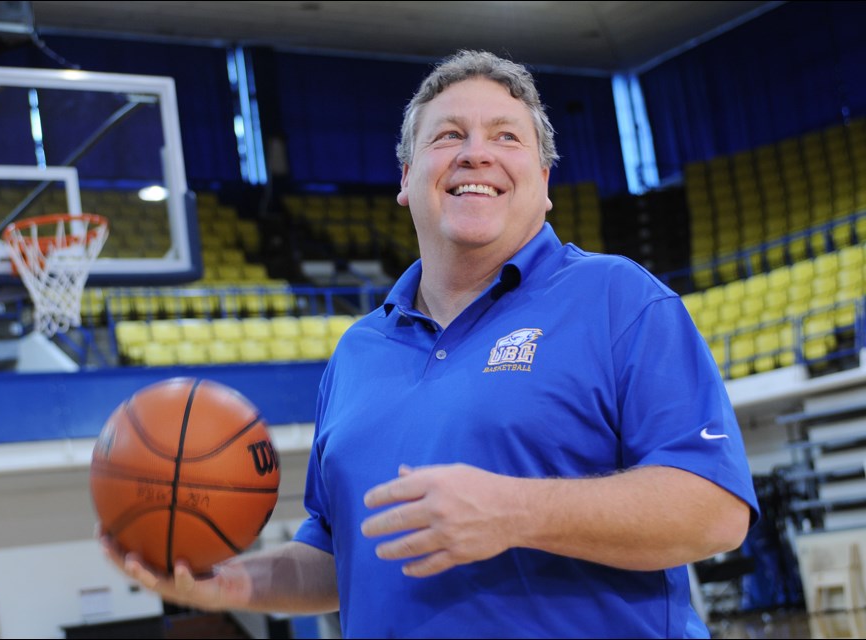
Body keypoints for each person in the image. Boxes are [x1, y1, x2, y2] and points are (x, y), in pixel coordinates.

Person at [103, 49, 759, 638]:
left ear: (545, 181)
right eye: (449, 136)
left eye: (506, 137)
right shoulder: (358, 353)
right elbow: (341, 558)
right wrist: (236, 584)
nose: (477, 153)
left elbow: (715, 512)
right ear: (406, 177)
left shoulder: (619, 298)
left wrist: (513, 511)